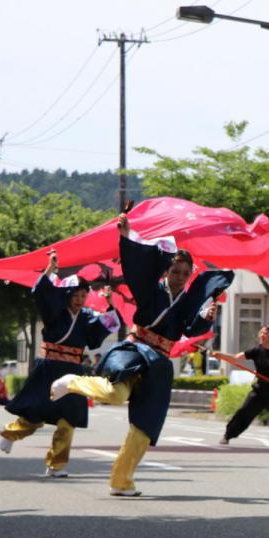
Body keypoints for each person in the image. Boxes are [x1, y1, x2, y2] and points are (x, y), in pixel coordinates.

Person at [51, 212, 233, 496]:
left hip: (160, 361)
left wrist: (206, 317)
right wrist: (125, 236)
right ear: (166, 272)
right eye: (175, 272)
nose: (180, 277)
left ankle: (121, 480)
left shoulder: (188, 300)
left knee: (146, 424)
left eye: (186, 274)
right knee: (115, 394)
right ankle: (72, 382)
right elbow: (136, 268)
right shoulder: (151, 289)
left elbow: (190, 327)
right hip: (136, 349)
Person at [0, 250, 120, 477]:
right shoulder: (55, 312)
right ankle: (10, 433)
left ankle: (56, 465)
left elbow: (110, 325)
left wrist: (109, 302)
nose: (80, 300)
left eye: (83, 296)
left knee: (68, 421)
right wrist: (50, 269)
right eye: (75, 295)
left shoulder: (87, 317)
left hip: (73, 372)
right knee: (35, 414)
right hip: (49, 368)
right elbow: (42, 292)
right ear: (66, 295)